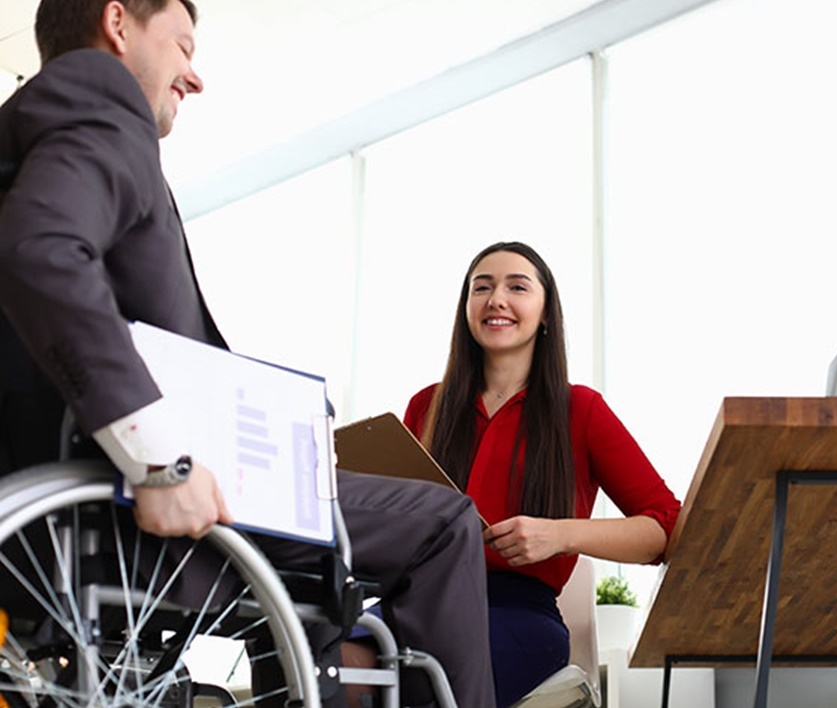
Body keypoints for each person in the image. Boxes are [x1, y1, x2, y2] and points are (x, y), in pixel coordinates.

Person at [0, 2, 495, 706]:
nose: (193, 77)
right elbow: (40, 253)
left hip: (56, 507)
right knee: (445, 524)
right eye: (182, 45)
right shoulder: (100, 107)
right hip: (131, 506)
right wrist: (159, 459)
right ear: (117, 23)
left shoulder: (27, 130)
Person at [407, 241, 681, 706]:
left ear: (546, 312)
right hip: (417, 605)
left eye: (517, 286)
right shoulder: (426, 407)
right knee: (322, 659)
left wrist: (560, 535)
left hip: (516, 612)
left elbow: (664, 526)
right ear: (466, 309)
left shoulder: (581, 410)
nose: (497, 299)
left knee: (425, 677)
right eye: (482, 287)